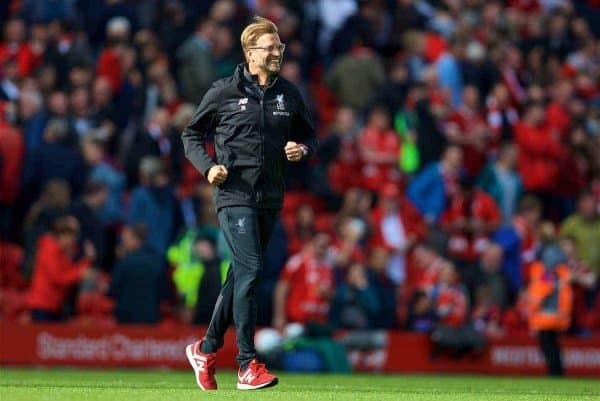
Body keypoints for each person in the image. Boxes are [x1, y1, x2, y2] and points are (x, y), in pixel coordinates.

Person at [181, 16, 317, 391]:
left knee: (241, 273)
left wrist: (301, 148)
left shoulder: (288, 94)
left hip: (270, 197)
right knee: (252, 268)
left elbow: (310, 136)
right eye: (270, 48)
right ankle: (246, 363)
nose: (277, 53)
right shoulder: (224, 91)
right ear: (250, 52)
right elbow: (191, 134)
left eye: (280, 47)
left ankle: (206, 348)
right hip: (233, 195)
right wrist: (209, 169)